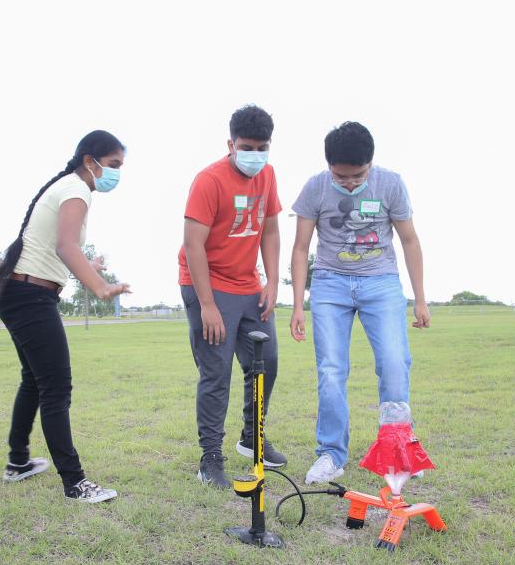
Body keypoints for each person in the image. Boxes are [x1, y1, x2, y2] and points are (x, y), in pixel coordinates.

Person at [0, 130, 130, 504]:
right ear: (90, 161)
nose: (116, 174)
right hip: (30, 296)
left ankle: (18, 462)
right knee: (56, 387)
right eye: (113, 166)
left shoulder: (68, 186)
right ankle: (75, 482)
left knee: (34, 381)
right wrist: (99, 285)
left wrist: (89, 264)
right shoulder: (77, 189)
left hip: (22, 293)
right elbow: (65, 247)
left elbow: (62, 249)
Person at [289, 121, 430, 485]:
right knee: (332, 370)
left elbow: (410, 241)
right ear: (329, 166)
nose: (350, 182)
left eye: (358, 175)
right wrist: (298, 305)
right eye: (341, 176)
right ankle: (331, 455)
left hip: (380, 282)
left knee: (394, 363)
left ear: (371, 164)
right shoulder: (315, 188)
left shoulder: (391, 184)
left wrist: (420, 300)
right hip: (330, 283)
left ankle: (396, 451)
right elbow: (301, 248)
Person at [178, 105, 287, 489]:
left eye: (262, 147)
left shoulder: (268, 174)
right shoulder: (209, 180)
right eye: (246, 147)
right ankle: (210, 458)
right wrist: (207, 305)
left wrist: (272, 282)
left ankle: (251, 437)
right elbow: (193, 245)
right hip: (207, 284)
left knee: (266, 362)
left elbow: (270, 230)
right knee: (216, 371)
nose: (255, 154)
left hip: (248, 285)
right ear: (231, 144)